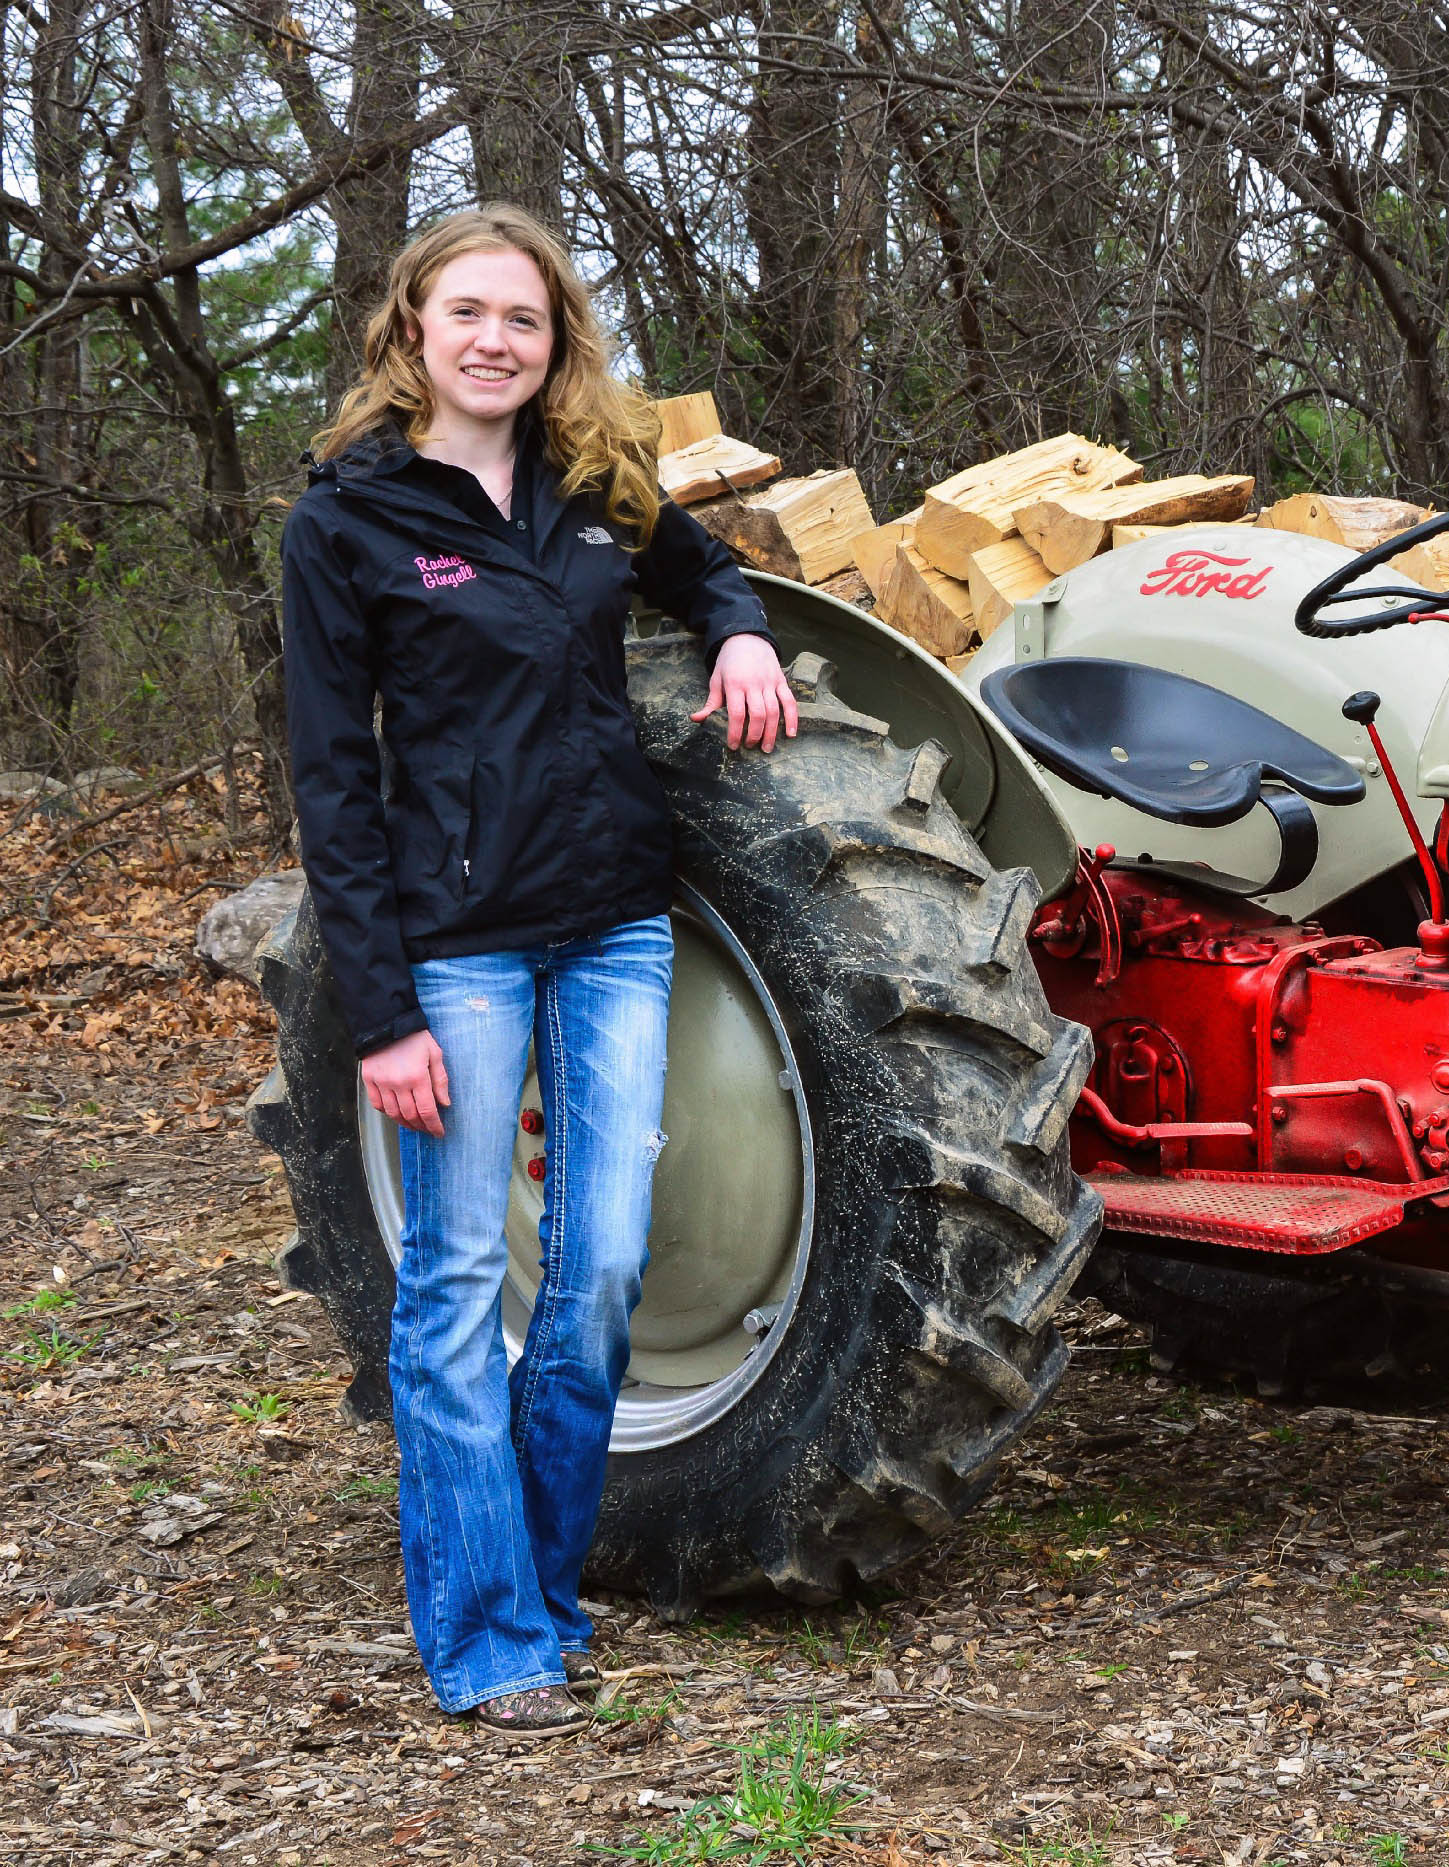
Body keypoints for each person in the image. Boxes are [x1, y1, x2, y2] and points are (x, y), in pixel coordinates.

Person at [279, 205, 798, 1735]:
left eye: (525, 317)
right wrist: (379, 1015)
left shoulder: (593, 490)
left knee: (603, 1272)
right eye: (468, 314)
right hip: (459, 955)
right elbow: (327, 783)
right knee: (450, 1290)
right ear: (412, 331)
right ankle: (490, 1636)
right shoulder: (349, 522)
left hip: (618, 926)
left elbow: (709, 574)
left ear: (556, 337)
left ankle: (551, 1589)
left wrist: (743, 636)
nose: (496, 340)